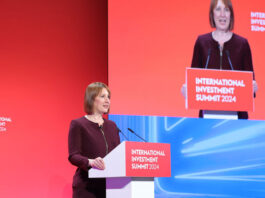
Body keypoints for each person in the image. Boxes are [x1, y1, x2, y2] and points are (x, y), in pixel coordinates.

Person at [182, 0, 258, 119]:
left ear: (231, 15)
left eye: (226, 10)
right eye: (218, 9)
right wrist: (188, 91)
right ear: (212, 15)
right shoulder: (201, 42)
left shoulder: (242, 44)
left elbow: (250, 87)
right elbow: (194, 82)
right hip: (207, 118)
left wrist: (253, 87)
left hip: (238, 119)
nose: (222, 14)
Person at [68, 82, 120, 198]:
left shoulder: (112, 126)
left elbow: (118, 154)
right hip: (88, 187)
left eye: (108, 97)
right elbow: (73, 155)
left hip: (111, 187)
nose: (107, 100)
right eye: (102, 96)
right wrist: (91, 162)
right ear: (91, 99)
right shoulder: (79, 124)